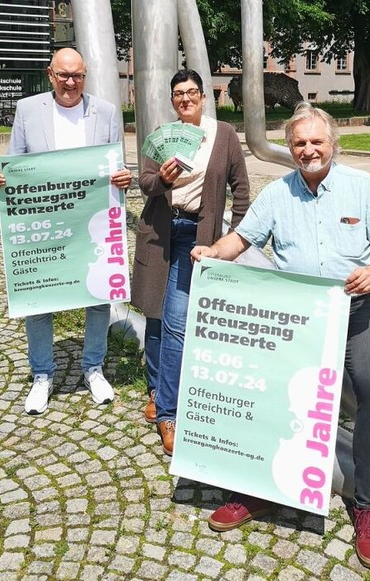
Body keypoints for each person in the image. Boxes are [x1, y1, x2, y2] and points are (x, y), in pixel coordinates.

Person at [191, 102, 370, 571]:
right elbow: (242, 240)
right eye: (299, 143)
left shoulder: (363, 187)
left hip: (354, 314)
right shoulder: (277, 194)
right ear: (289, 148)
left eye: (316, 141)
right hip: (295, 317)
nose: (308, 150)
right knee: (270, 393)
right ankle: (259, 489)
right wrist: (212, 253)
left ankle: (366, 506)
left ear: (333, 144)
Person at [0, 48, 132, 414]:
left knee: (98, 296)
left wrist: (124, 175)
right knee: (39, 296)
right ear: (51, 74)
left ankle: (93, 369)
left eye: (78, 76)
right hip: (45, 223)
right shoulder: (28, 110)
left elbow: (116, 164)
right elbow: (15, 165)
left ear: (86, 76)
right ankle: (41, 374)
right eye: (64, 75)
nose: (71, 83)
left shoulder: (107, 112)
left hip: (92, 219)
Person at [131, 70, 249, 456]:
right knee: (153, 315)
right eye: (178, 94)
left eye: (192, 93)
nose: (185, 99)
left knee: (178, 320)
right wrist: (162, 180)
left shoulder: (224, 135)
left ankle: (169, 412)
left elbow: (241, 189)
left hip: (197, 238)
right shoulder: (161, 137)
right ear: (172, 100)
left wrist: (235, 238)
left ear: (203, 97)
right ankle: (156, 389)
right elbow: (144, 183)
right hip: (159, 231)